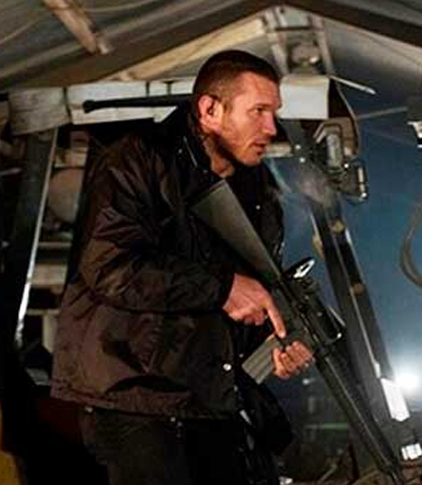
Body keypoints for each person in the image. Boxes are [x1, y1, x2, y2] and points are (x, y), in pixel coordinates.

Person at [51, 50, 314, 485]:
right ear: (210, 110)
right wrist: (223, 288)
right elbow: (110, 267)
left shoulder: (258, 188)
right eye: (258, 111)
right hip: (138, 400)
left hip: (211, 399)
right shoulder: (137, 159)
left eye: (274, 113)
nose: (271, 127)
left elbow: (250, 292)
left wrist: (273, 345)